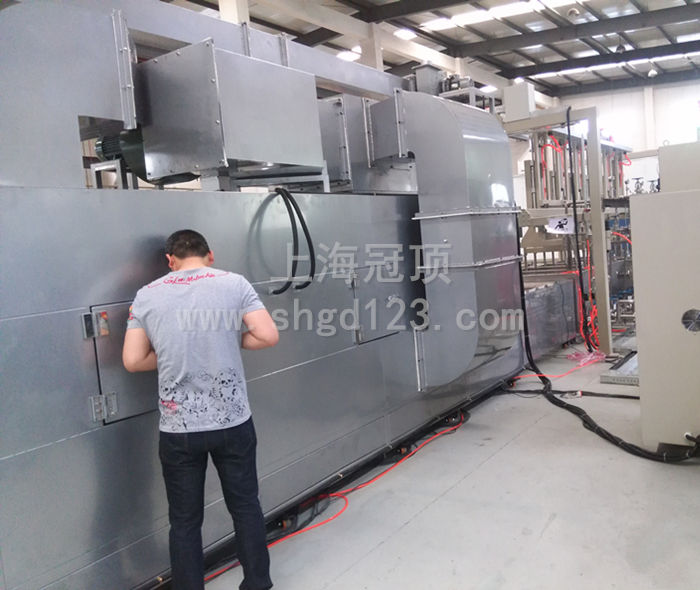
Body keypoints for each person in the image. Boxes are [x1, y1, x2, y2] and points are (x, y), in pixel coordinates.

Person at [123, 229, 279, 590]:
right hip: (233, 422)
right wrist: (229, 340)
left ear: (170, 260)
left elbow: (132, 360)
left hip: (179, 430)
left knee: (184, 521)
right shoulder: (234, 283)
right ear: (210, 254)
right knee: (245, 506)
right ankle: (257, 583)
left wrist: (172, 352)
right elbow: (268, 335)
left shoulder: (146, 295)